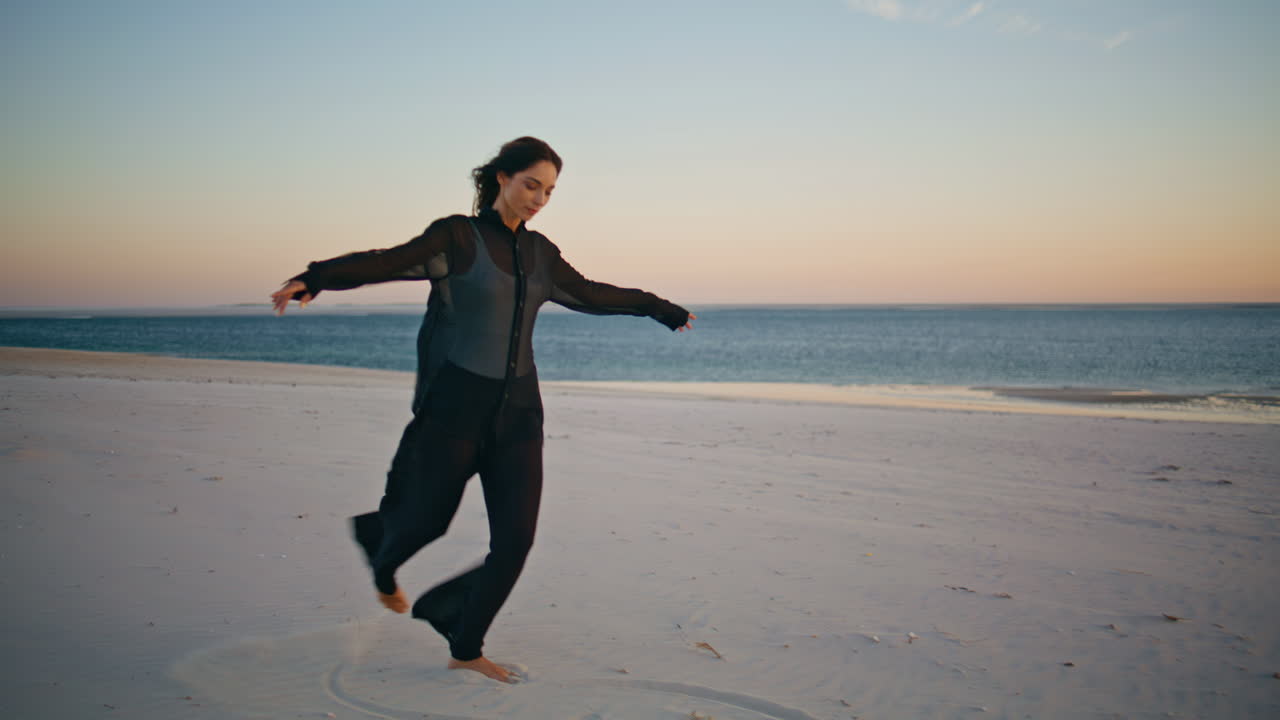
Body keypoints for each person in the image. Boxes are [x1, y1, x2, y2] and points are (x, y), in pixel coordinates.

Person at [269, 137, 694, 683]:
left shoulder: (542, 253)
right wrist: (317, 278)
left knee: (516, 542)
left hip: (519, 417)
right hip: (455, 412)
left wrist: (661, 309)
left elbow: (592, 294)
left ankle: (464, 644)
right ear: (502, 179)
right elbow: (386, 262)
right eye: (531, 185)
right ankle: (383, 552)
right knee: (426, 522)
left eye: (549, 191)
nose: (540, 199)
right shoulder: (457, 238)